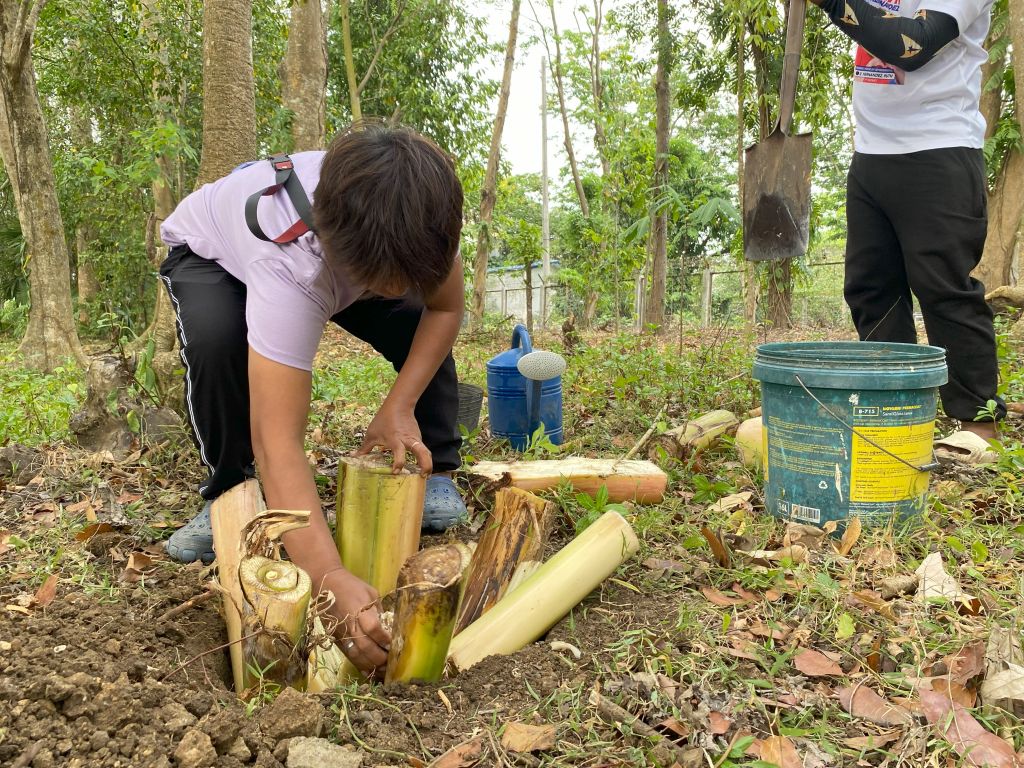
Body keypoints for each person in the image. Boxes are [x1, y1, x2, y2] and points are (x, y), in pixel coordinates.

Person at [158, 122, 468, 674]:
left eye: (407, 274)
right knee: (218, 342)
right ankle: (230, 494)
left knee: (415, 319)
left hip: (356, 254)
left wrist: (398, 407)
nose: (395, 288)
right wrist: (330, 580)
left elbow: (444, 309)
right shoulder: (291, 261)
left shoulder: (422, 215)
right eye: (383, 279)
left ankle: (437, 465)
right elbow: (279, 441)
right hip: (216, 257)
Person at [811, 0, 1006, 445]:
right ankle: (894, 414)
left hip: (939, 148)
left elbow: (912, 45)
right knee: (871, 290)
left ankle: (978, 427)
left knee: (945, 290)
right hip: (870, 153)